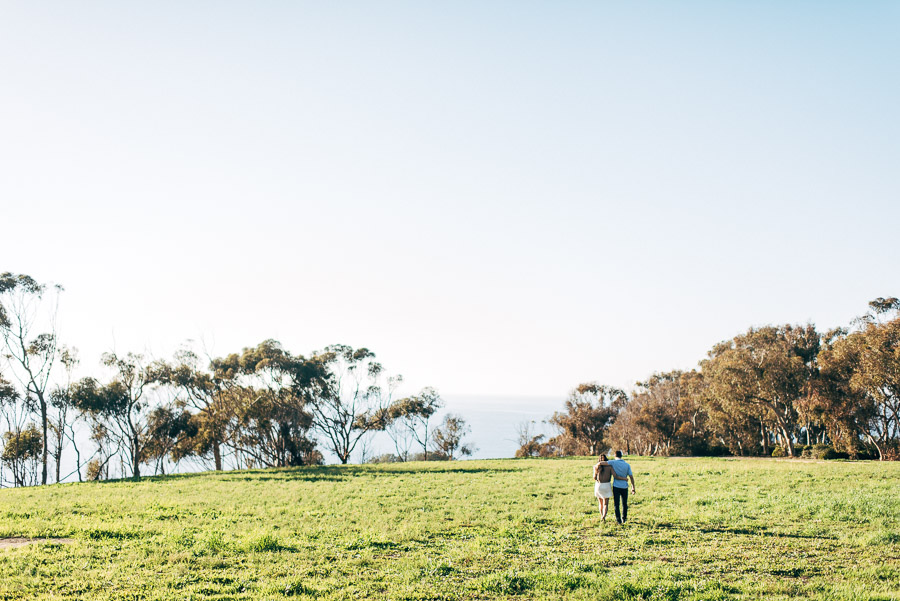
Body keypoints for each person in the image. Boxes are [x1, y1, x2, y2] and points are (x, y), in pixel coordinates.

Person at [608, 450, 635, 524]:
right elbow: (631, 477)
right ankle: (624, 518)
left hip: (616, 486)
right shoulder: (627, 465)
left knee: (616, 504)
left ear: (614, 455)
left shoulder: (613, 462)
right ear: (621, 455)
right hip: (624, 486)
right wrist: (633, 487)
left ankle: (618, 519)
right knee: (624, 503)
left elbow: (602, 463)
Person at [592, 454, 613, 520]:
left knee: (600, 503)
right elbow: (614, 475)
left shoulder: (596, 467)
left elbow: (594, 478)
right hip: (607, 485)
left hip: (599, 485)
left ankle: (601, 515)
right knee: (605, 504)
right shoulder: (610, 467)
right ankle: (604, 516)